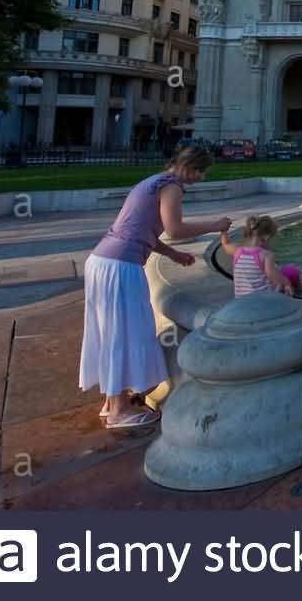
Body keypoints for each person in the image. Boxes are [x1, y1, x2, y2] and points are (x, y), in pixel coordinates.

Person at [80, 146, 231, 429]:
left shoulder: (152, 181)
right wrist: (215, 224)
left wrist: (172, 255)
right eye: (202, 171)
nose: (202, 178)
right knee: (124, 332)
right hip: (120, 266)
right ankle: (118, 411)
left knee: (114, 331)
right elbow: (174, 229)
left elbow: (143, 229)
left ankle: (114, 400)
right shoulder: (172, 187)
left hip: (104, 261)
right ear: (190, 167)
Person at [218, 215, 302, 297]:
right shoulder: (266, 255)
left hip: (241, 299)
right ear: (266, 237)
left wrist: (224, 231)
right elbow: (272, 275)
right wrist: (287, 283)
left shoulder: (238, 251)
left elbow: (225, 244)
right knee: (291, 270)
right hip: (263, 300)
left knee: (281, 272)